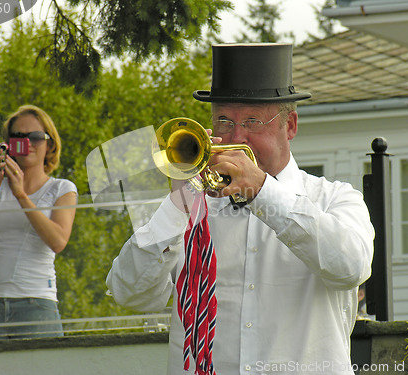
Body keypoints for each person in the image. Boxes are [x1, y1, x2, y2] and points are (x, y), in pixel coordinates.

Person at [106, 43, 374, 374]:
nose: (237, 137)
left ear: (289, 126)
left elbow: (350, 266)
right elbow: (130, 293)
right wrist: (178, 205)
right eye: (223, 120)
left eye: (251, 121)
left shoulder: (334, 198)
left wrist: (261, 190)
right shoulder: (188, 212)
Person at [0, 105, 77, 341]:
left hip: (36, 302)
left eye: (35, 137)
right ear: (7, 145)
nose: (27, 143)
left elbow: (58, 241)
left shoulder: (61, 188)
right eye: (18, 137)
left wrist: (21, 195)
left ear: (50, 144)